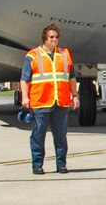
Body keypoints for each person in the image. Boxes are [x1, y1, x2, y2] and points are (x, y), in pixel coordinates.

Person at [21, 23, 74, 174]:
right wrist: (25, 97)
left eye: (56, 37)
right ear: (45, 39)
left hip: (61, 102)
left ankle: (61, 164)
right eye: (51, 37)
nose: (55, 40)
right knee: (38, 135)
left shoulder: (64, 55)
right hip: (41, 101)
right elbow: (24, 79)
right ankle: (37, 165)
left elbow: (71, 77)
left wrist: (74, 96)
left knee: (61, 136)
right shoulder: (33, 56)